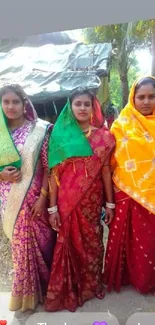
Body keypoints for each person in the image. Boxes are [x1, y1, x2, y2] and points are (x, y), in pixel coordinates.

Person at [44, 88, 115, 312]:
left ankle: (91, 285)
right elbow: (54, 174)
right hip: (66, 200)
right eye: (78, 104)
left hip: (93, 201)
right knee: (69, 243)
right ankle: (72, 287)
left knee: (93, 241)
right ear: (70, 106)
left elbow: (105, 172)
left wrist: (110, 204)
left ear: (93, 107)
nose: (82, 108)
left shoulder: (104, 137)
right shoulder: (60, 134)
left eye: (87, 104)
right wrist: (52, 207)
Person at [0, 84, 56, 312]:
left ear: (25, 105)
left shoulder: (40, 130)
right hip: (9, 200)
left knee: (42, 243)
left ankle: (48, 287)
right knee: (20, 247)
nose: (11, 106)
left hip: (35, 198)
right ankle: (26, 295)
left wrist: (43, 197)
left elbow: (49, 167)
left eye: (15, 102)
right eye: (6, 102)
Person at [104, 76, 155, 295]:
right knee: (133, 241)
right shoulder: (120, 125)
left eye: (151, 97)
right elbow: (111, 161)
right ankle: (128, 278)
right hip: (127, 192)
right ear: (132, 98)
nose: (146, 102)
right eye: (141, 97)